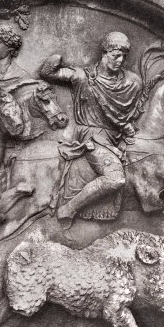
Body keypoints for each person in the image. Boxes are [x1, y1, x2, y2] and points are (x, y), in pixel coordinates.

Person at [40, 32, 142, 228]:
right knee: (116, 179)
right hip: (91, 137)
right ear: (104, 53)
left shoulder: (132, 83)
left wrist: (126, 128)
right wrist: (56, 58)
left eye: (123, 57)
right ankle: (68, 209)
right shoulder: (81, 77)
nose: (120, 61)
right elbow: (47, 73)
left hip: (117, 137)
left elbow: (129, 114)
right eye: (115, 55)